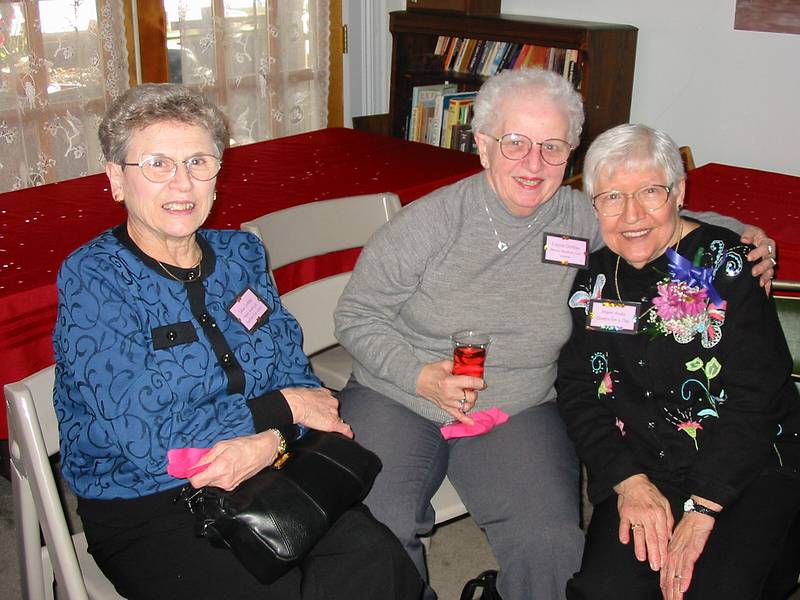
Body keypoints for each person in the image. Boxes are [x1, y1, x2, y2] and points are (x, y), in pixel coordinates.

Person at [333, 68, 778, 600]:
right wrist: (420, 376)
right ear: (482, 146)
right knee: (375, 525)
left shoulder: (578, 217)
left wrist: (744, 238)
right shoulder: (427, 224)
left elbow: (649, 216)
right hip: (399, 394)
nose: (533, 163)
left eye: (552, 147)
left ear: (570, 154)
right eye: (515, 143)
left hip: (516, 404)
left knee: (551, 541)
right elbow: (357, 315)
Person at [52, 83, 423, 600]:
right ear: (116, 179)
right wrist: (281, 409)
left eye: (199, 162)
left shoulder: (241, 255)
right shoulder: (95, 279)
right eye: (157, 164)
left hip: (267, 464)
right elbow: (148, 439)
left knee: (377, 565)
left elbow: (292, 368)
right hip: (150, 501)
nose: (182, 183)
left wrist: (271, 438)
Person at [557, 123, 800, 600]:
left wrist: (702, 509)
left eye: (650, 192)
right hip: (645, 468)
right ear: (594, 206)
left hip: (747, 462)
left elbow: (756, 396)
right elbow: (579, 391)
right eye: (611, 197)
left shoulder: (727, 266)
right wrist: (627, 481)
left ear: (680, 191)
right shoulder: (594, 280)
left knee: (710, 590)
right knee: (603, 592)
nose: (632, 215)